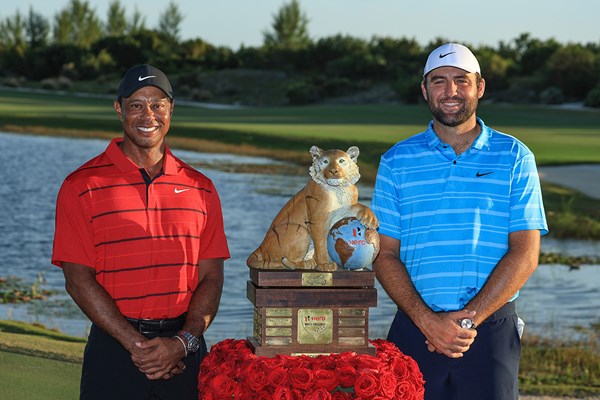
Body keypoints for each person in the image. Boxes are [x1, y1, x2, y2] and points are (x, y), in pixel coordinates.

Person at [371, 43, 548, 400]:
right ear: (424, 90)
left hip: (490, 329)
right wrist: (428, 322)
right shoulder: (396, 161)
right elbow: (384, 253)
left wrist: (465, 322)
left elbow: (525, 253)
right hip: (414, 327)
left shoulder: (515, 156)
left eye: (461, 81)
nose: (450, 91)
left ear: (479, 87)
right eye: (439, 81)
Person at [52, 64, 230, 400]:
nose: (148, 115)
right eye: (136, 104)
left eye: (157, 104)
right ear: (119, 109)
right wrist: (141, 348)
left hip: (185, 349)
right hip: (115, 349)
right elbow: (77, 279)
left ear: (171, 110)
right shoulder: (80, 186)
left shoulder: (201, 188)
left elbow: (212, 277)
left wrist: (182, 343)